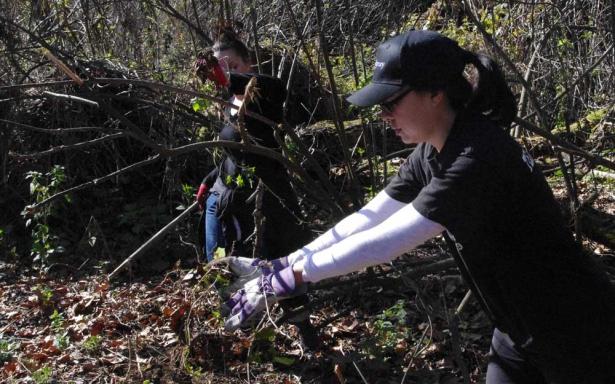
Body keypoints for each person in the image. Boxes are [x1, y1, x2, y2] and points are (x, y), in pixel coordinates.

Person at [221, 30, 615, 383]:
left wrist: (291, 278)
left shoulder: (475, 158)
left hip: (576, 329)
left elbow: (387, 242)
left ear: (435, 93)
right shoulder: (432, 151)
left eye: (391, 101)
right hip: (517, 329)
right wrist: (286, 262)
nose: (384, 115)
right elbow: (370, 217)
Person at [195, 30, 308, 262]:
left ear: (249, 63)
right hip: (223, 194)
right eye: (220, 68)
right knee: (217, 263)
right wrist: (209, 180)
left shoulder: (266, 97)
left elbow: (276, 86)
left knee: (268, 270)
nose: (225, 73)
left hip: (262, 200)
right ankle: (225, 296)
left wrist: (230, 80)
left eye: (232, 66)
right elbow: (235, 154)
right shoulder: (227, 104)